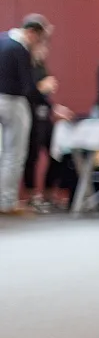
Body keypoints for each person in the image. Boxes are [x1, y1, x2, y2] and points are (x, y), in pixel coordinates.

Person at [0, 14, 53, 216]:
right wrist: (46, 99)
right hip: (13, 103)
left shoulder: (2, 41)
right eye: (38, 39)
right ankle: (7, 202)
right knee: (14, 154)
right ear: (32, 33)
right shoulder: (19, 49)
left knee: (1, 153)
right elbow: (28, 87)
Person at [22, 42, 74, 212]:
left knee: (58, 152)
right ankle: (31, 196)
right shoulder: (23, 64)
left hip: (44, 117)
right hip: (28, 116)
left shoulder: (41, 67)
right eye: (40, 46)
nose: (44, 51)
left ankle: (49, 193)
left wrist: (54, 108)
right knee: (32, 157)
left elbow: (43, 97)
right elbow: (27, 93)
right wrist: (41, 88)